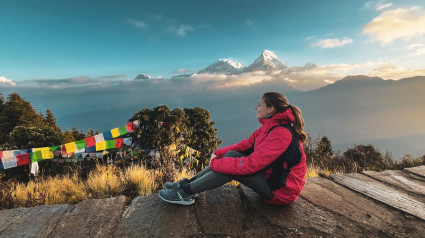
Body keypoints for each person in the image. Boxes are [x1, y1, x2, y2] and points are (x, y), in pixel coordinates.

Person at [159, 92, 307, 205]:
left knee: (230, 168)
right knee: (232, 154)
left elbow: (251, 165)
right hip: (271, 180)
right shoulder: (269, 127)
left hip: (281, 192)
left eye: (259, 105)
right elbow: (244, 145)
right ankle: (187, 184)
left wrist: (216, 164)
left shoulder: (281, 134)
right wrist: (217, 154)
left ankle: (184, 193)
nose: (256, 107)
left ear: (270, 109)